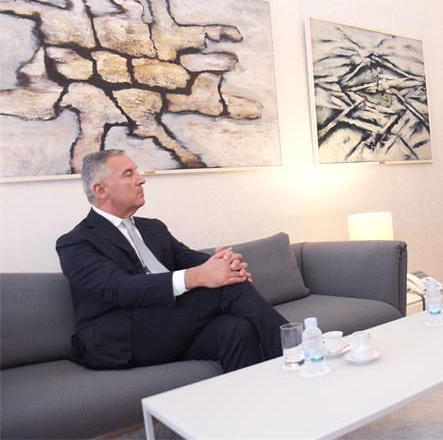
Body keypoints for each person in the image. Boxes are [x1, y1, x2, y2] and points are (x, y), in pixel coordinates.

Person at [56, 149, 288, 373]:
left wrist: (224, 264)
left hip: (170, 325)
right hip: (123, 338)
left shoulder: (153, 228)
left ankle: (255, 398)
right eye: (128, 174)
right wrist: (197, 277)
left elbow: (188, 258)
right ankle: (295, 353)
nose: (141, 179)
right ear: (101, 190)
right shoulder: (75, 243)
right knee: (230, 288)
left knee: (237, 329)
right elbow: (119, 288)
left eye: (137, 171)